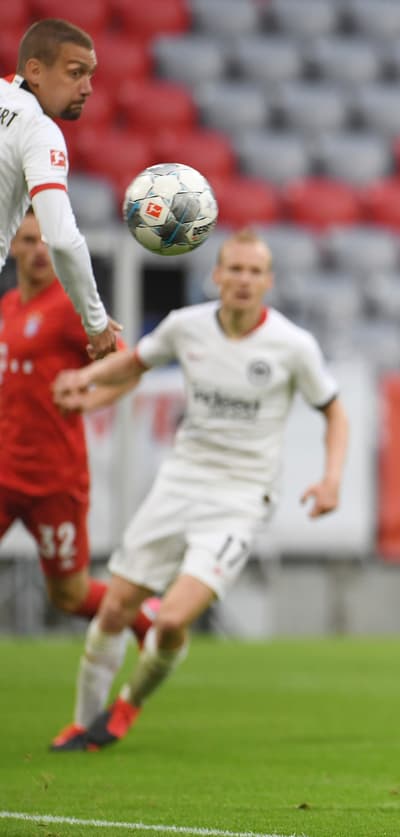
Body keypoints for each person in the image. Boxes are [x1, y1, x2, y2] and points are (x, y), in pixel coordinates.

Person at [46, 228, 350, 751]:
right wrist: (86, 381)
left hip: (239, 498)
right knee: (115, 608)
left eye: (254, 272)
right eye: (234, 269)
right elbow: (135, 361)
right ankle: (81, 721)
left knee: (170, 620)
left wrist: (331, 480)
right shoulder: (186, 328)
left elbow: (335, 412)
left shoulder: (292, 345)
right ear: (216, 275)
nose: (243, 280)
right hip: (180, 481)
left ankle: (127, 707)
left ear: (268, 282)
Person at [0, 209, 153, 640]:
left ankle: (147, 620)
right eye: (28, 241)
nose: (38, 251)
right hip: (5, 471)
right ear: (12, 245)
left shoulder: (72, 309)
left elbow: (129, 368)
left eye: (46, 241)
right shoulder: (9, 305)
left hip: (54, 479)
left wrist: (87, 401)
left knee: (69, 595)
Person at [2, 18, 120, 359]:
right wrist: (95, 322)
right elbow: (62, 239)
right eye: (74, 73)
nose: (88, 88)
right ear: (35, 71)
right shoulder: (38, 129)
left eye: (90, 75)